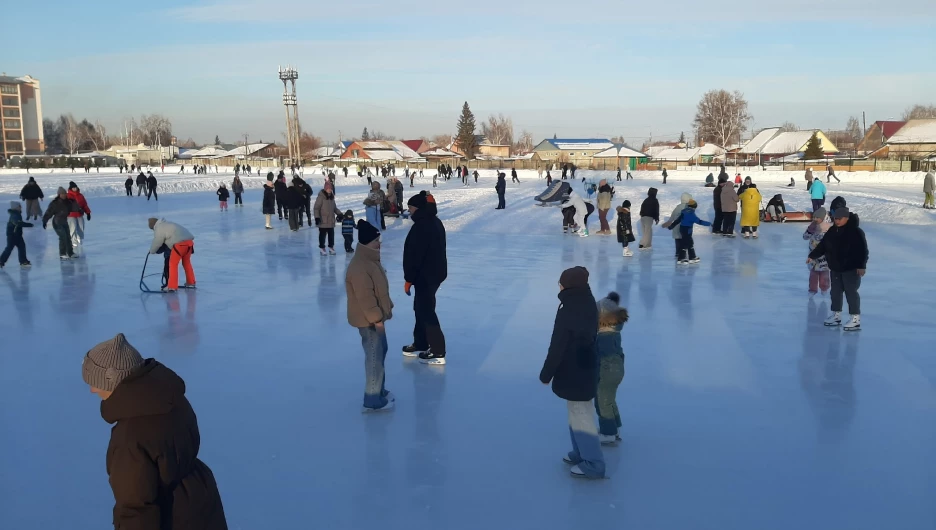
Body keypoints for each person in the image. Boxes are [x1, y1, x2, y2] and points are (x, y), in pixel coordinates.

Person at [81, 334, 227, 529]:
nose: (92, 390)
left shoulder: (130, 438)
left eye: (95, 382)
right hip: (199, 497)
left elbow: (135, 508)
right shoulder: (169, 397)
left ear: (113, 379)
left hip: (170, 517)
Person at [539, 266, 605, 479]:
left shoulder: (568, 309)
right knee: (577, 412)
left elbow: (558, 345)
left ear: (568, 286)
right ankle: (580, 452)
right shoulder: (585, 301)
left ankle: (593, 463)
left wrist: (546, 373)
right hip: (585, 368)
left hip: (575, 369)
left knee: (581, 416)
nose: (558, 286)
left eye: (560, 282)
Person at [345, 220, 395, 411]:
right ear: (367, 242)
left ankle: (378, 389)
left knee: (380, 352)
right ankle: (372, 398)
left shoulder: (370, 260)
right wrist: (377, 319)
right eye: (376, 240)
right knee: (374, 356)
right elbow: (366, 298)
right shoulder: (360, 266)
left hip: (375, 319)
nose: (379, 243)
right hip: (369, 321)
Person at [402, 191, 448, 365]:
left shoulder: (422, 226)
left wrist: (409, 279)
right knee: (421, 307)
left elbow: (414, 256)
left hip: (426, 276)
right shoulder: (435, 222)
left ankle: (438, 351)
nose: (409, 211)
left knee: (426, 310)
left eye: (411, 207)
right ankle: (421, 342)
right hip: (434, 274)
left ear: (418, 208)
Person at [808, 207, 868, 331]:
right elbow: (823, 245)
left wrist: (861, 266)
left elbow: (862, 250)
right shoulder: (832, 231)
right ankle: (836, 315)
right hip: (835, 267)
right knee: (835, 292)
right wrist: (812, 256)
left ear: (846, 218)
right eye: (835, 218)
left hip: (851, 268)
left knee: (851, 292)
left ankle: (855, 318)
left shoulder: (856, 232)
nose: (837, 221)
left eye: (839, 219)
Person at [595, 292, 628, 445]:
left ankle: (608, 433)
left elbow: (598, 353)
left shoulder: (603, 336)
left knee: (603, 401)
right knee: (609, 400)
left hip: (607, 371)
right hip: (616, 370)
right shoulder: (614, 332)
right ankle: (614, 428)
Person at [148, 218, 196, 293]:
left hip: (179, 245)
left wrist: (151, 251)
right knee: (186, 263)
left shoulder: (159, 228)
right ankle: (191, 282)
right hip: (189, 243)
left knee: (172, 264)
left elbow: (157, 241)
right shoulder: (167, 224)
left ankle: (172, 286)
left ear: (153, 226)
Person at [669, 199, 711, 264]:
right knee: (688, 243)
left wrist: (672, 226)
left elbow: (678, 220)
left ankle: (690, 257)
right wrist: (709, 224)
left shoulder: (684, 212)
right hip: (687, 230)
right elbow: (699, 221)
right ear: (694, 207)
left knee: (687, 243)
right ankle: (683, 258)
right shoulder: (691, 214)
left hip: (682, 229)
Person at [803, 207, 831, 296]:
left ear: (823, 218)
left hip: (824, 258)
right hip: (813, 257)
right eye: (814, 217)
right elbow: (805, 237)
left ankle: (824, 288)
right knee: (813, 275)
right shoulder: (812, 227)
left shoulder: (828, 228)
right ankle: (812, 290)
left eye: (817, 218)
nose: (815, 219)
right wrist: (809, 230)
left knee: (824, 275)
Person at [43, 187, 76, 260]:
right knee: (63, 236)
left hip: (64, 221)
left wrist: (78, 208)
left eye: (65, 193)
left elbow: (73, 208)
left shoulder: (68, 202)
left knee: (68, 237)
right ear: (59, 194)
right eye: (62, 194)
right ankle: (62, 253)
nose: (64, 195)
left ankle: (70, 253)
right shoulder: (55, 203)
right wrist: (44, 221)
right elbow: (49, 212)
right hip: (57, 222)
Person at [1, 201, 33, 269]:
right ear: (16, 207)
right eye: (19, 206)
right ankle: (1, 261)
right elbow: (18, 223)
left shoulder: (16, 213)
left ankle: (23, 261)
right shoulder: (15, 215)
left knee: (22, 247)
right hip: (12, 235)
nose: (21, 207)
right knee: (9, 248)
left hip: (17, 235)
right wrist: (29, 224)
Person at [662, 192, 692, 259]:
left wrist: (668, 223)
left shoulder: (677, 207)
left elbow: (672, 216)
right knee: (684, 240)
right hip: (684, 227)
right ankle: (682, 253)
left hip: (676, 226)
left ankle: (677, 252)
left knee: (678, 240)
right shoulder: (687, 207)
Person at [314, 181, 339, 255]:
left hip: (331, 220)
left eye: (330, 188)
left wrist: (340, 214)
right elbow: (316, 208)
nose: (329, 190)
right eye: (328, 188)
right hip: (323, 220)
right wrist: (317, 218)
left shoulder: (331, 198)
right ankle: (322, 248)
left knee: (331, 235)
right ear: (325, 188)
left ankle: (331, 247)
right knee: (322, 235)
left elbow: (335, 208)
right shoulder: (321, 197)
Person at [66, 182, 91, 257]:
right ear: (71, 188)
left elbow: (84, 205)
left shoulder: (80, 195)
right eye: (73, 188)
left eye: (75, 187)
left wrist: (88, 213)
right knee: (72, 229)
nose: (75, 189)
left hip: (80, 214)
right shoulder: (68, 196)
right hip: (71, 215)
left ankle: (79, 238)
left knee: (81, 227)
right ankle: (73, 241)